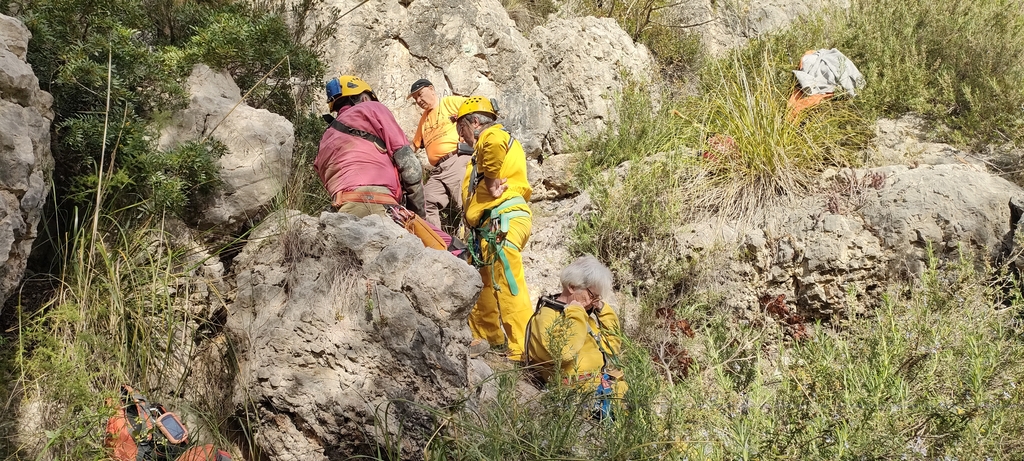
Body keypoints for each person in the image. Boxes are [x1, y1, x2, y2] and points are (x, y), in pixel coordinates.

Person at [315, 75, 450, 249]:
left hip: (342, 213)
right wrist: (419, 215)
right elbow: (410, 166)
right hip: (378, 206)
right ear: (365, 97)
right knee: (449, 249)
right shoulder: (371, 108)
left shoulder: (325, 139)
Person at [456, 96, 533, 362]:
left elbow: (495, 142)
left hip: (502, 219)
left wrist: (490, 180)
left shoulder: (491, 135)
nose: (461, 137)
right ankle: (489, 339)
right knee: (482, 283)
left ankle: (522, 348)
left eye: (462, 129)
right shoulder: (481, 149)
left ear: (475, 123)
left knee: (507, 281)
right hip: (487, 227)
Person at [524, 255, 626, 413]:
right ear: (572, 286)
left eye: (597, 298)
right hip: (577, 395)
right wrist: (576, 312)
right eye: (592, 296)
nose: (593, 302)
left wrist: (602, 309)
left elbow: (612, 347)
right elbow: (564, 352)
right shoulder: (548, 316)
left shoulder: (581, 315)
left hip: (599, 385)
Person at [408, 79, 470, 229]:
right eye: (415, 98)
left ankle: (474, 239)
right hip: (438, 170)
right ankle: (436, 240)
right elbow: (414, 145)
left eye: (420, 94)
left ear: (431, 89)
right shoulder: (424, 120)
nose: (418, 100)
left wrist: (464, 121)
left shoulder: (449, 103)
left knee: (466, 202)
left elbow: (476, 108)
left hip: (456, 160)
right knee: (426, 201)